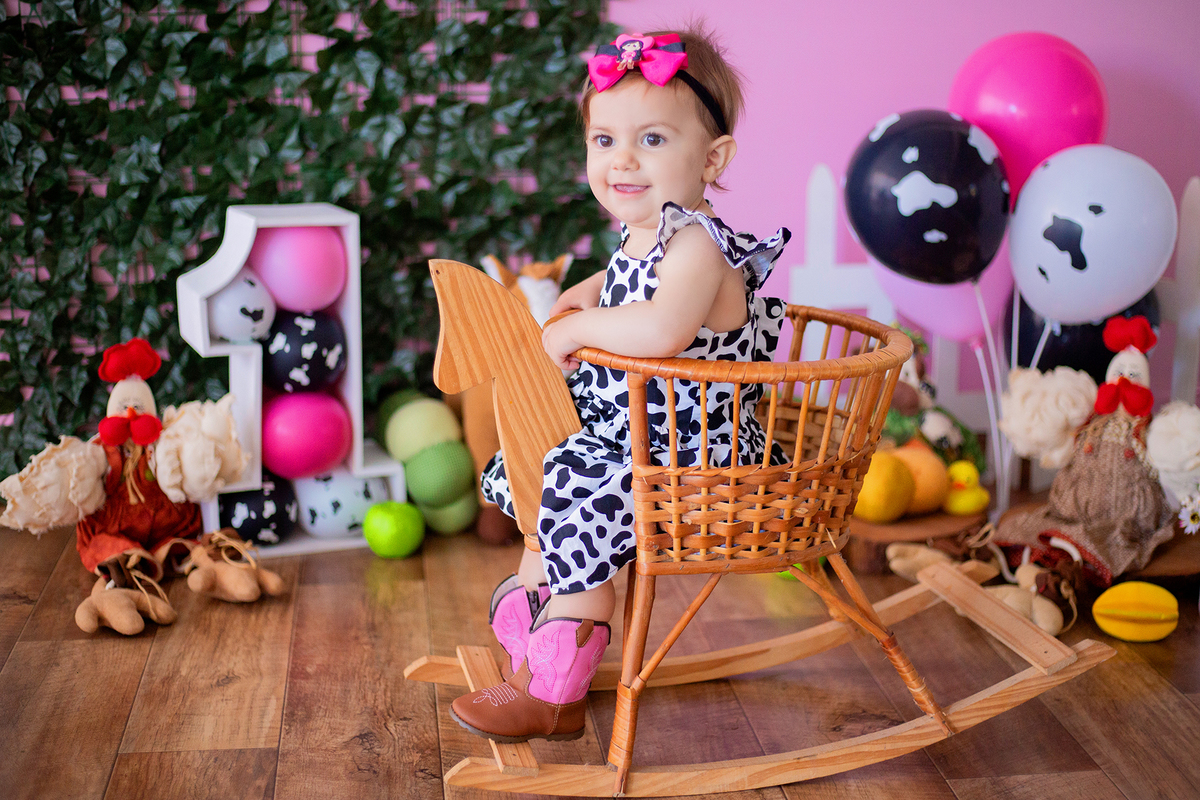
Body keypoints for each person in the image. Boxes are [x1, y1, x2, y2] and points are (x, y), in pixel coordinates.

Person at [450, 25, 790, 743]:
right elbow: (633, 281)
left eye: (653, 141)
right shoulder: (647, 234)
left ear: (713, 158)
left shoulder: (700, 244)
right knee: (537, 466)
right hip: (629, 436)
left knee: (578, 486)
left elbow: (665, 326)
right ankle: (539, 624)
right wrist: (592, 288)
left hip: (695, 455)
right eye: (604, 140)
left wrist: (575, 331)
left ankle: (553, 685)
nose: (623, 160)